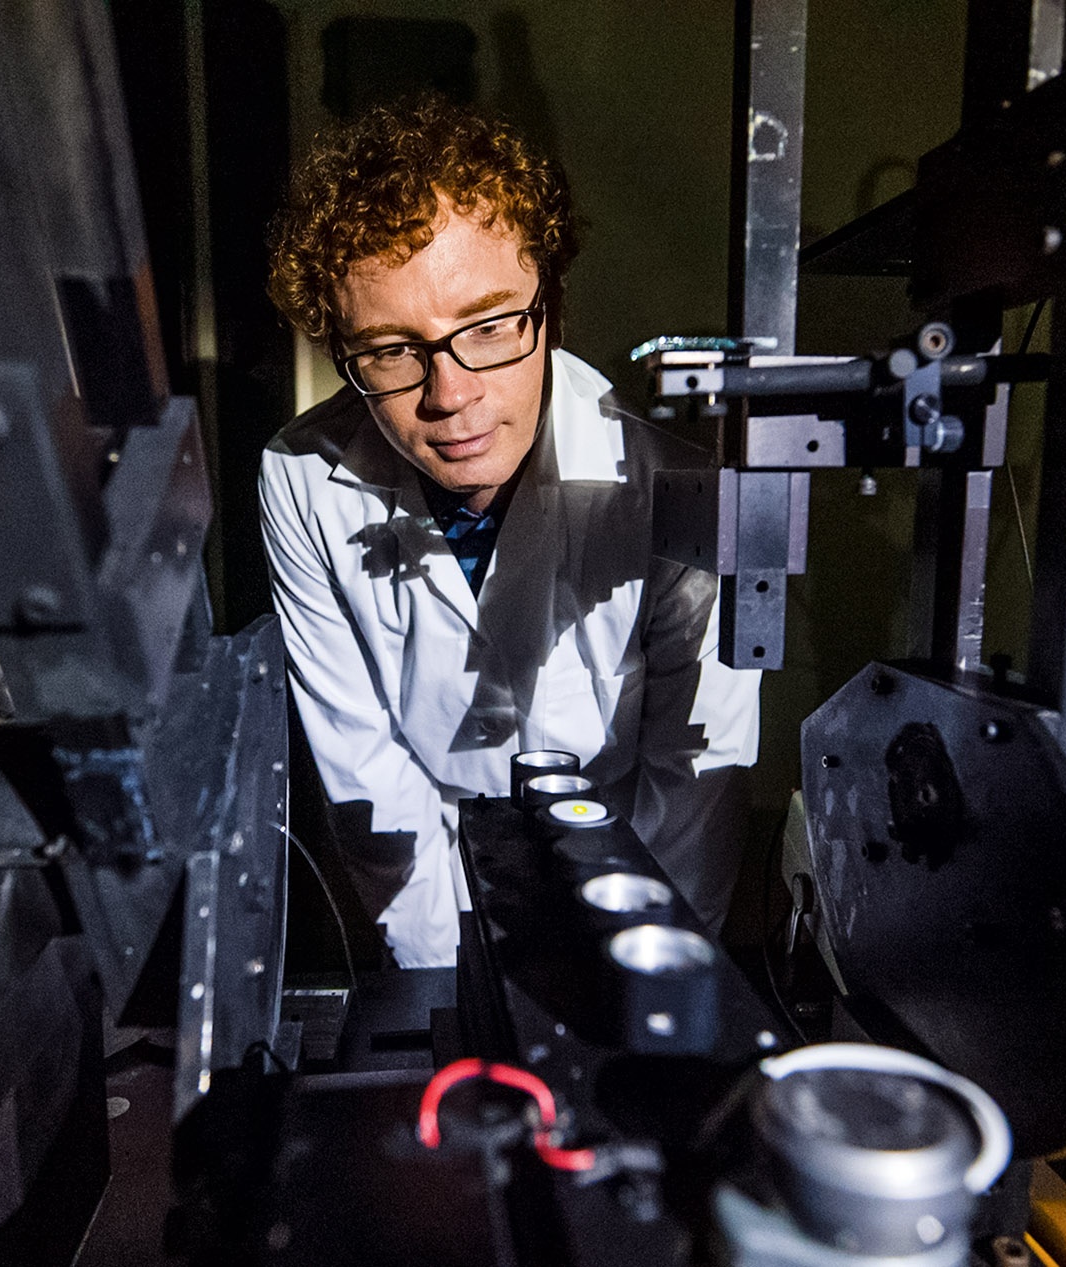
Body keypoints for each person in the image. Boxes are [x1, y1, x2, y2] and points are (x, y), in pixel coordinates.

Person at [259, 97, 760, 968]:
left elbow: (693, 790)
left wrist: (642, 981)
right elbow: (368, 783)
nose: (449, 395)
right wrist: (460, 994)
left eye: (488, 327)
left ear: (550, 308)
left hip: (638, 878)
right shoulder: (302, 481)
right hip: (430, 883)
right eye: (390, 350)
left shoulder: (677, 489)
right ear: (345, 349)